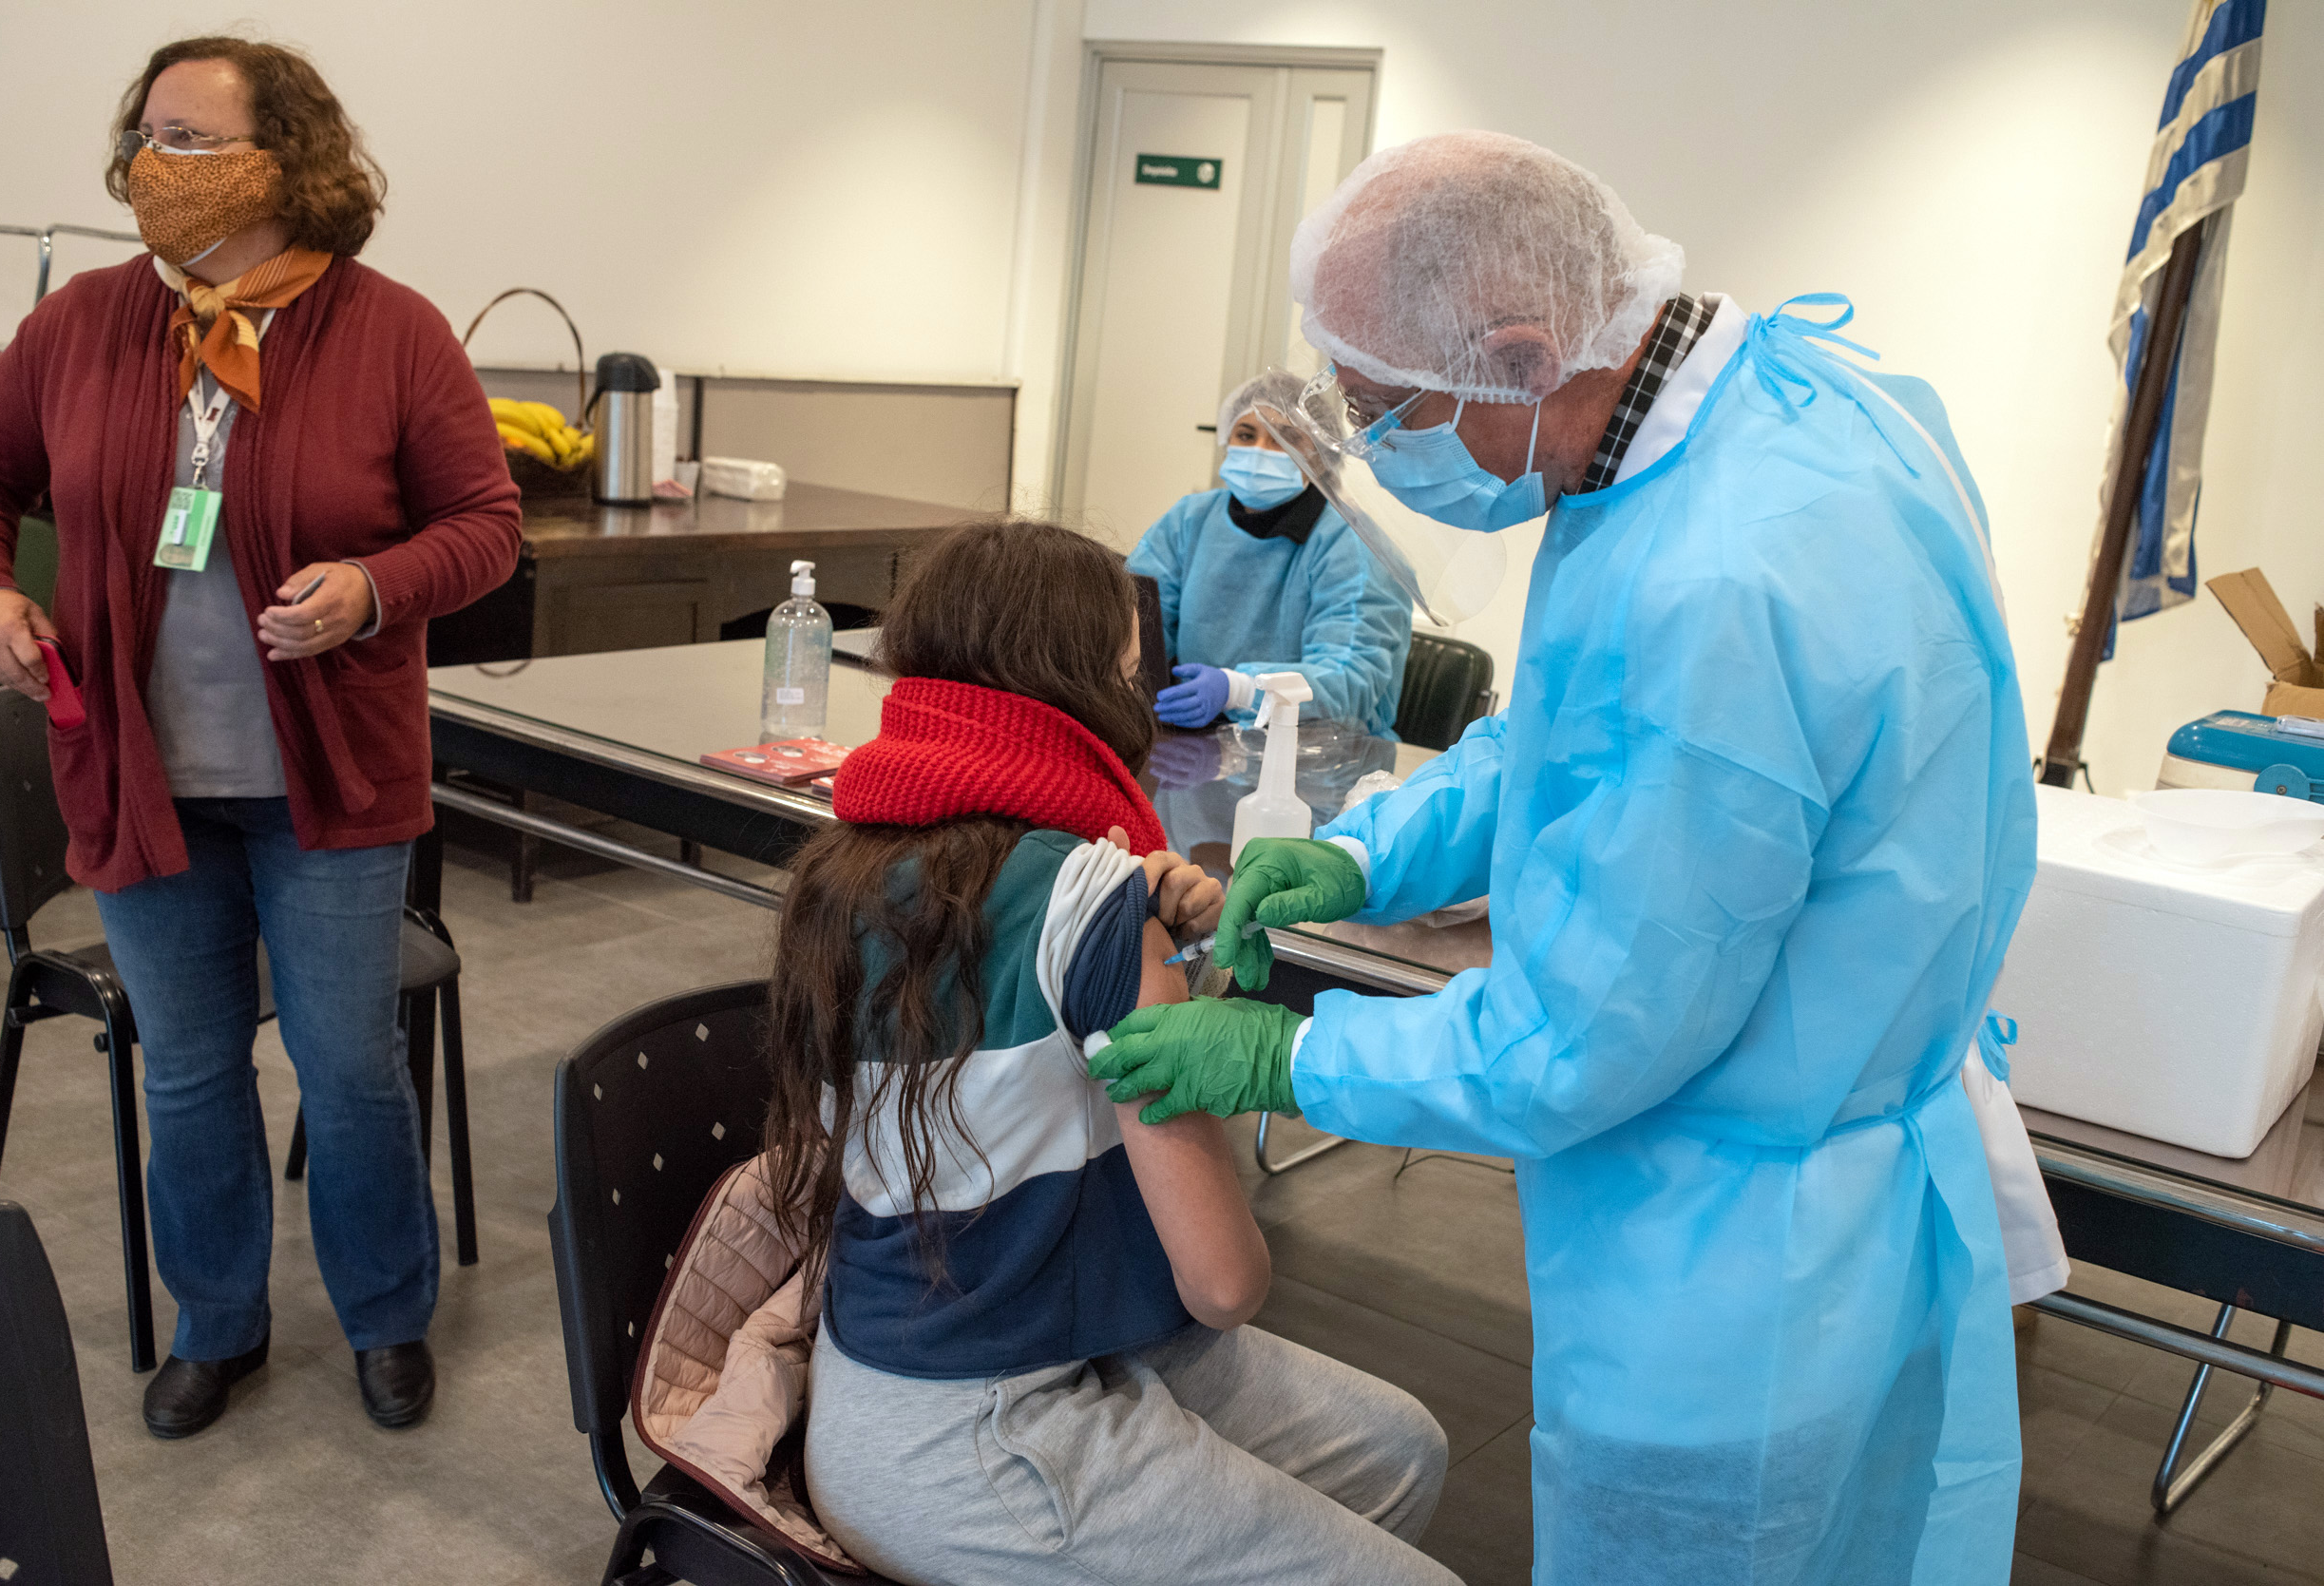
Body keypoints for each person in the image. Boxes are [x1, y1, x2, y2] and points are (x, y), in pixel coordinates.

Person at [1090, 131, 2047, 1583]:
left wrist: (1293, 1057)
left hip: (1740, 1261)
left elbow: (1575, 1044)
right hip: (1848, 1179)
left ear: (1525, 353)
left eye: (1383, 408)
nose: (1377, 449)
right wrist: (1366, 855)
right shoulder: (1784, 407)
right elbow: (1569, 732)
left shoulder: (1717, 583)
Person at [0, 38, 520, 1437]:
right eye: (149, 138)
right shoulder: (84, 321)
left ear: (286, 161)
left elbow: (488, 526)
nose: (161, 167)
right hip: (141, 773)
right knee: (190, 1066)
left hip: (323, 780)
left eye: (195, 141)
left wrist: (377, 586)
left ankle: (385, 1314)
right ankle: (218, 1321)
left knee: (344, 1061)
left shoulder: (391, 329)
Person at [765, 518, 1460, 1586]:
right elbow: (1225, 1283)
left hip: (884, 1374)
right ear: (1085, 689)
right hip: (984, 1427)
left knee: (1397, 1445)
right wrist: (1179, 993)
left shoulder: (833, 871)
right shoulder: (1093, 896)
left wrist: (1161, 954)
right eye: (1132, 672)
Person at [1131, 370, 1412, 738]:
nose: (1260, 450)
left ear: (1320, 452)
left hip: (1321, 754)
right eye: (1246, 435)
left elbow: (1351, 680)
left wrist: (1240, 690)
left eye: (1285, 438)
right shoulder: (1190, 520)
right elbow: (1134, 624)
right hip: (1198, 740)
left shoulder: (1355, 544)